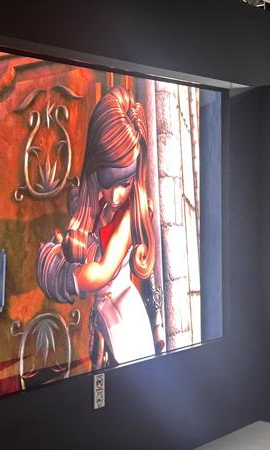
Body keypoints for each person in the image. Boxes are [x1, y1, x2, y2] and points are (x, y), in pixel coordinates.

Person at [37, 86, 165, 370]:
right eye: (109, 182)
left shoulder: (131, 214)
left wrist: (62, 273)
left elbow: (104, 272)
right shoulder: (91, 203)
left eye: (125, 183)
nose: (116, 196)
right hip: (101, 316)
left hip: (125, 314)